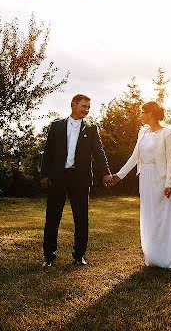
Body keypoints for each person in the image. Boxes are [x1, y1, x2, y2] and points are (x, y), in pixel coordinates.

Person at [109, 101, 171, 270]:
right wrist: (119, 175)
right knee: (150, 217)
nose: (140, 115)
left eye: (142, 112)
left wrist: (168, 183)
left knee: (164, 218)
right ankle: (154, 257)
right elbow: (134, 157)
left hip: (160, 179)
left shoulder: (168, 133)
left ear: (151, 113)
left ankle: (168, 258)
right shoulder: (142, 132)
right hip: (145, 178)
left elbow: (170, 161)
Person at [40, 94, 111, 268]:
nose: (86, 110)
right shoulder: (56, 126)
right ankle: (49, 256)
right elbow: (48, 152)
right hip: (57, 177)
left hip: (80, 179)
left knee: (81, 218)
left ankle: (79, 255)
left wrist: (105, 173)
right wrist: (44, 174)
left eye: (88, 107)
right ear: (73, 105)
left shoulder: (91, 129)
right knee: (52, 217)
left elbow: (99, 153)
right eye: (83, 106)